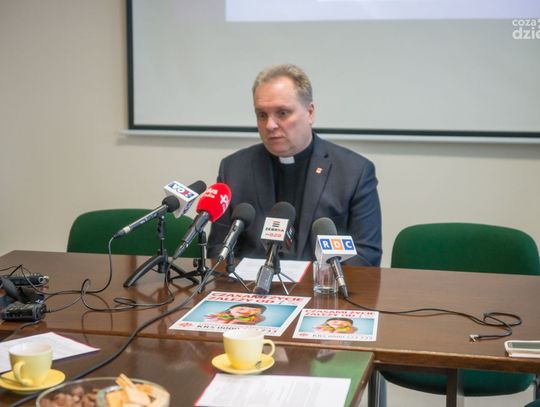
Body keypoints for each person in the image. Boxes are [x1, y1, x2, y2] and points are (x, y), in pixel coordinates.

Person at [208, 64, 382, 266]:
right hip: (250, 284)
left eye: (282, 113)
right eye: (262, 115)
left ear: (310, 113)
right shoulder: (234, 169)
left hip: (322, 284)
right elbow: (218, 250)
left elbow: (366, 256)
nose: (270, 125)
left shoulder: (354, 172)